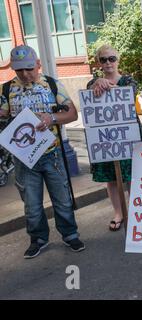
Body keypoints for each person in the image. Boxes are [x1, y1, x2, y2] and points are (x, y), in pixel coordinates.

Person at [0, 45, 85, 258]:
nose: (25, 74)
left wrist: (51, 118)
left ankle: (70, 234)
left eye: (29, 68)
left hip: (52, 154)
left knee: (62, 198)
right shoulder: (6, 89)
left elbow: (72, 113)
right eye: (19, 70)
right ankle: (38, 238)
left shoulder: (52, 85)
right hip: (24, 157)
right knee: (32, 204)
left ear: (38, 64)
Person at [86, 44, 138, 232]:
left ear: (118, 60)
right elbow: (89, 94)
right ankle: (119, 213)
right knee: (111, 178)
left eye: (111, 59)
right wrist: (96, 83)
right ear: (99, 63)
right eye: (103, 59)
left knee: (132, 176)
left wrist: (106, 85)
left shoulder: (128, 81)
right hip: (105, 136)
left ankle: (134, 213)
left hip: (127, 134)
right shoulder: (92, 83)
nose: (108, 63)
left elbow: (129, 95)